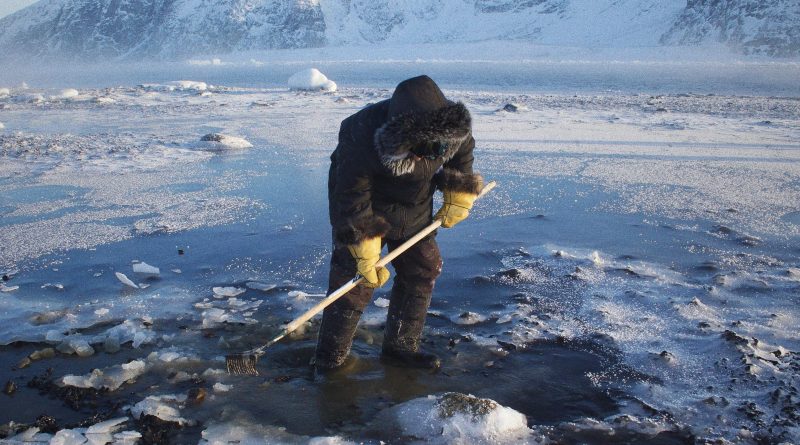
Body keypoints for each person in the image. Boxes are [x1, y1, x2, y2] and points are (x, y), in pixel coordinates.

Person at [314, 75, 483, 371]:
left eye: (441, 148)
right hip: (364, 203)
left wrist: (459, 191)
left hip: (415, 202)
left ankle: (400, 349)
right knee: (356, 280)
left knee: (422, 268)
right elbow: (353, 196)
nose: (436, 154)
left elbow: (462, 154)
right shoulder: (360, 135)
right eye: (427, 148)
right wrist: (363, 245)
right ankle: (330, 359)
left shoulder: (452, 129)